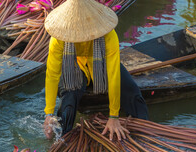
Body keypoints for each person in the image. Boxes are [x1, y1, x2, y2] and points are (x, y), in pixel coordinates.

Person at [42, 0, 148, 140]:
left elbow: (113, 74)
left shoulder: (108, 35)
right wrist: (49, 114)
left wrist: (114, 116)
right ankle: (62, 138)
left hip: (100, 63)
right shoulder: (59, 38)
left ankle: (145, 130)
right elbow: (52, 74)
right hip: (74, 65)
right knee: (70, 95)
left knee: (131, 90)